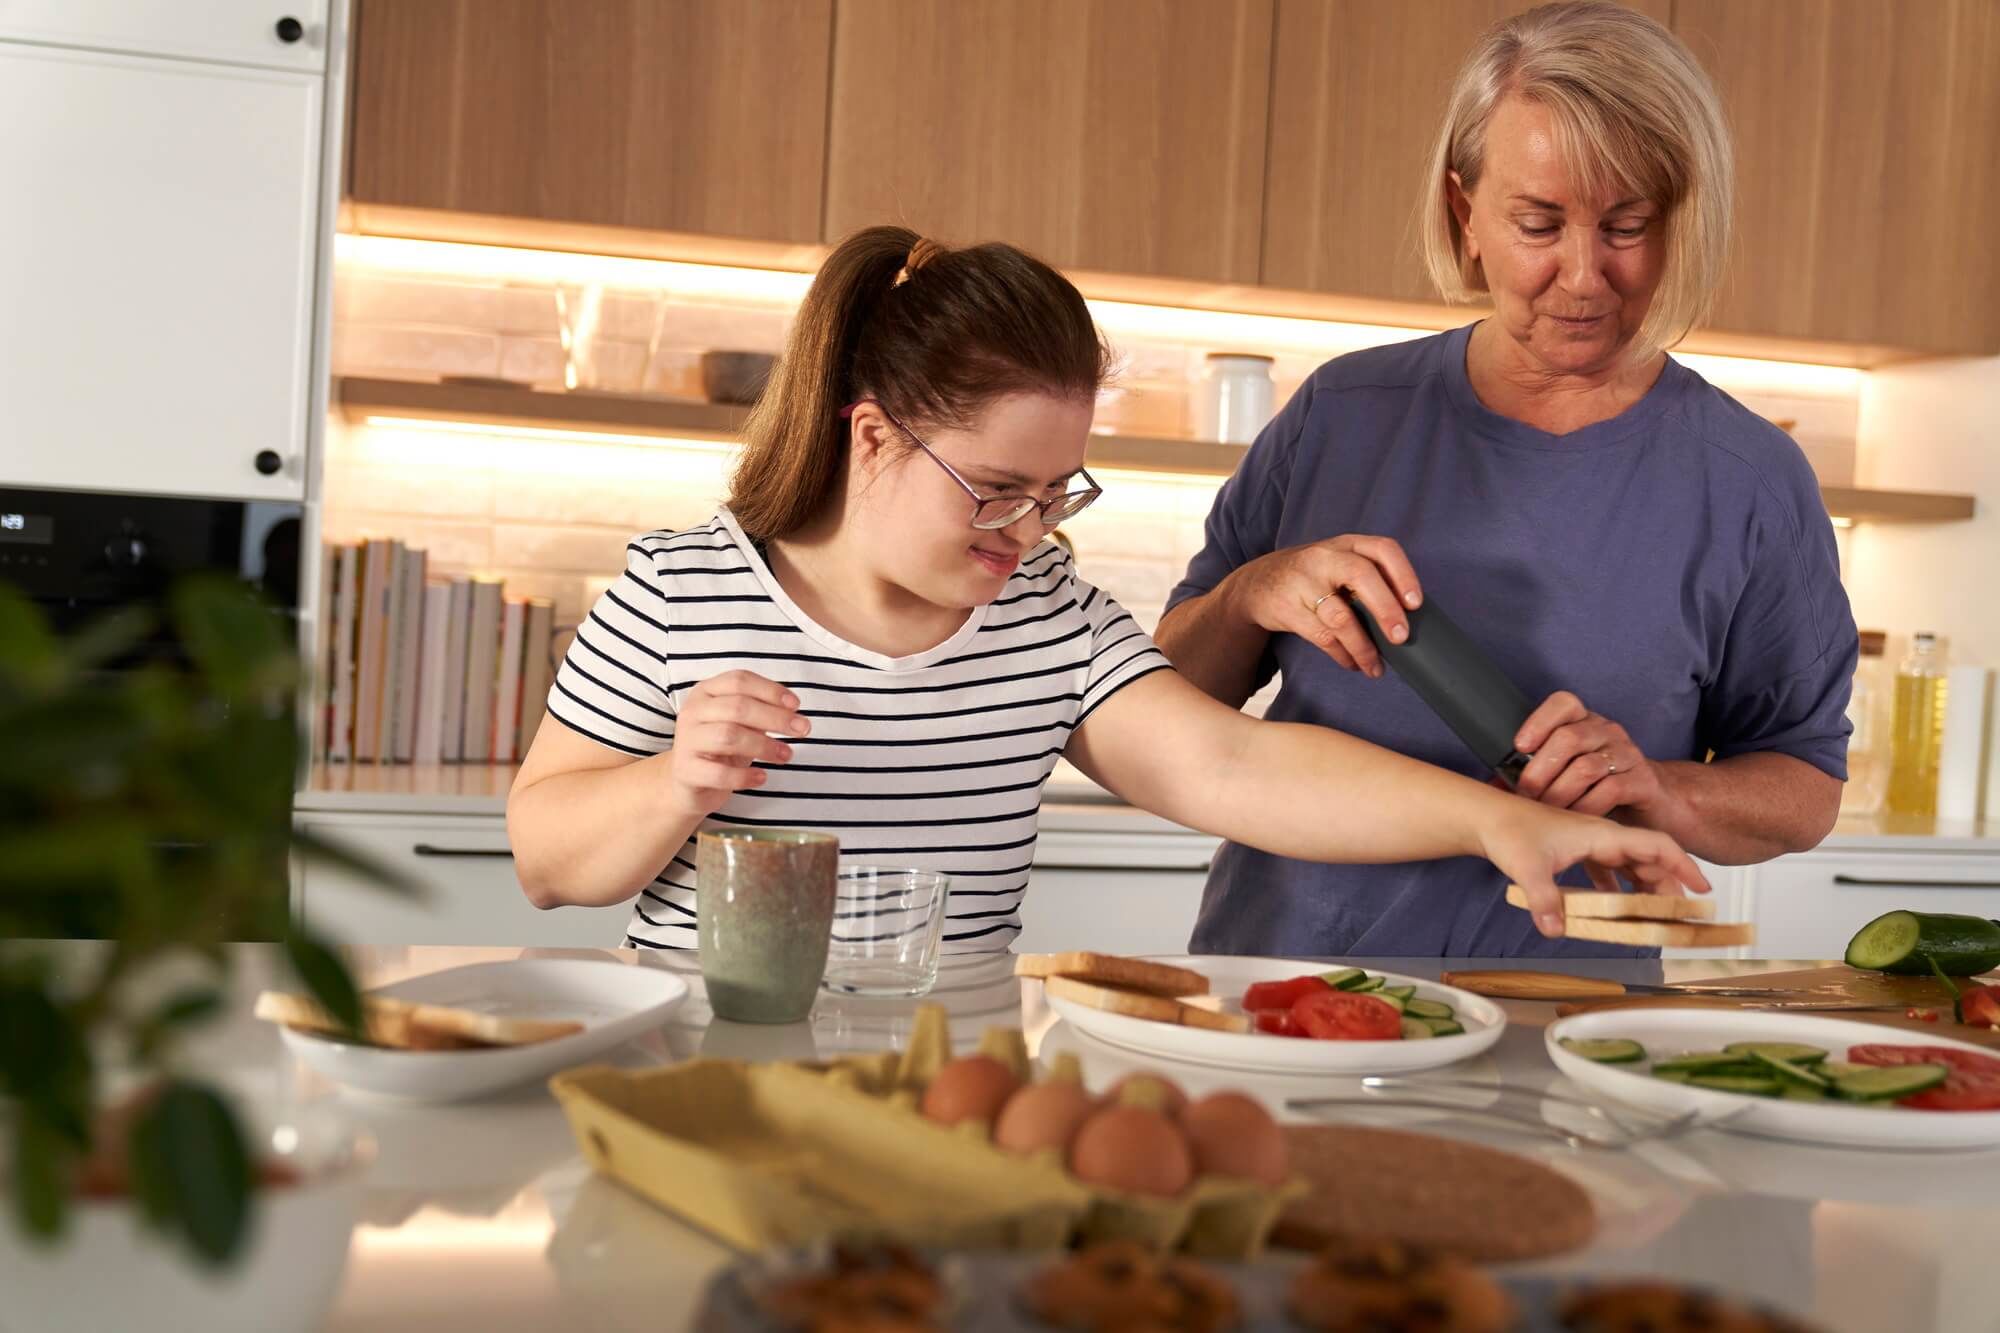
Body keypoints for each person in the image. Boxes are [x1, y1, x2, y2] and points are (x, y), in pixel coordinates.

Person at [506, 225, 1707, 953]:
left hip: (947, 1086)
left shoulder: (1045, 619)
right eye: (993, 490)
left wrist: (1500, 820)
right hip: (706, 1073)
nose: (1027, 533)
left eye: (1054, 493)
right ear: (871, 437)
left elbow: (1229, 765)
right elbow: (547, 863)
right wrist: (676, 781)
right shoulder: (682, 590)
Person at [1156, 1, 1853, 957]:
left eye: (1627, 225)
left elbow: (1805, 786)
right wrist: (1248, 597)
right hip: (1283, 991)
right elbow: (1165, 703)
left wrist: (1659, 785)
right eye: (1538, 223)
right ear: (1465, 212)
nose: (1583, 275)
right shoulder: (1341, 414)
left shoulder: (1751, 482)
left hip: (1572, 1013)